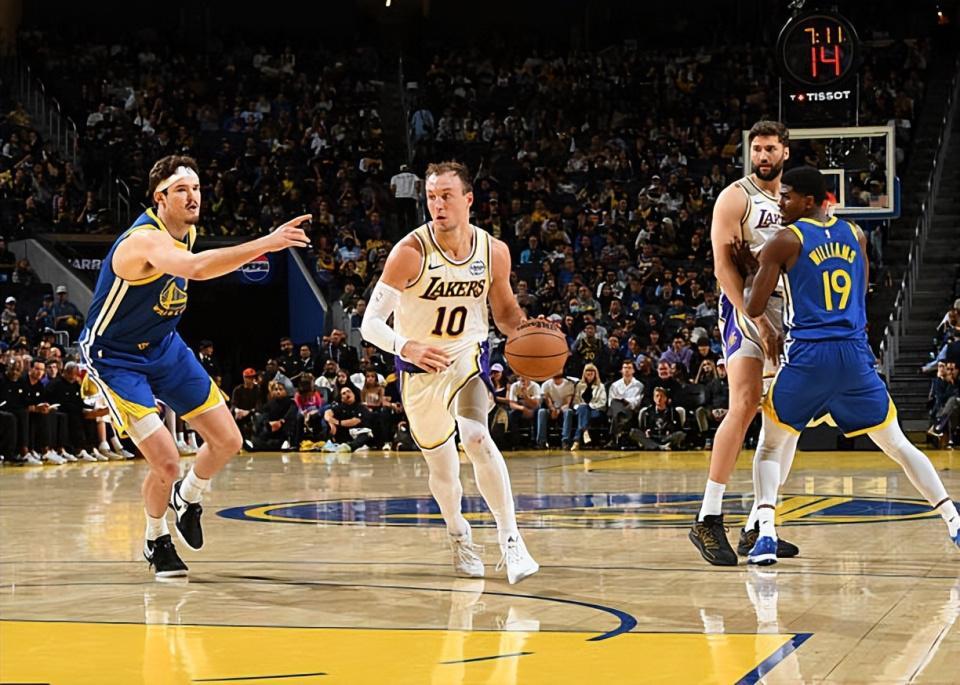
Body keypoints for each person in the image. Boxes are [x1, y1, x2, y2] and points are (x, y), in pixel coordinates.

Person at [77, 154, 310, 578]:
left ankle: (188, 496)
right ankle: (155, 538)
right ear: (159, 198)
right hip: (116, 356)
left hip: (164, 346)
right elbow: (198, 269)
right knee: (166, 461)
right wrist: (268, 242)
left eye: (197, 188)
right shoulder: (144, 242)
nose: (193, 197)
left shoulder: (187, 231)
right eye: (181, 190)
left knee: (228, 440)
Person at [737, 165, 960, 563]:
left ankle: (766, 534)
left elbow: (754, 307)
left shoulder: (785, 239)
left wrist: (755, 269)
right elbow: (861, 291)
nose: (780, 201)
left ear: (808, 200)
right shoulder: (856, 234)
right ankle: (953, 519)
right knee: (898, 444)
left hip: (809, 356)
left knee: (771, 445)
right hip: (854, 355)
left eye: (786, 195)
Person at [360, 160, 539, 583]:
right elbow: (369, 324)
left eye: (446, 196)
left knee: (475, 436)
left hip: (466, 356)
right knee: (443, 472)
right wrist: (407, 346)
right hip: (418, 369)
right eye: (431, 197)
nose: (438, 205)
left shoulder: (493, 251)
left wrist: (531, 334)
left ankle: (511, 540)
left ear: (468, 199)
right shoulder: (409, 253)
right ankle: (459, 532)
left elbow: (506, 314)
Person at [690, 120, 799, 566]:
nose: (763, 156)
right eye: (757, 149)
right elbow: (723, 269)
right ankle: (708, 517)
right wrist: (758, 321)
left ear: (785, 152)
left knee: (789, 416)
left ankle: (758, 523)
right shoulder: (736, 197)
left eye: (770, 149)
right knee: (745, 402)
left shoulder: (794, 199)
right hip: (745, 307)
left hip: (788, 311)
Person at [562, 363, 607, 451]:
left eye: (591, 373)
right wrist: (581, 406)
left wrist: (589, 406)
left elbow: (602, 402)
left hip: (595, 410)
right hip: (581, 409)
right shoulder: (579, 385)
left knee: (583, 414)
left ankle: (577, 440)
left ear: (595, 374)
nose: (589, 375)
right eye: (587, 373)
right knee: (583, 409)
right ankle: (582, 434)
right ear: (584, 374)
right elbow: (575, 401)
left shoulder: (600, 386)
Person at [607, 360, 645, 446]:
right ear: (621, 370)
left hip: (630, 409)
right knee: (616, 406)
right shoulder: (615, 385)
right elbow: (610, 401)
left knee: (619, 412)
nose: (627, 370)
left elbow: (638, 401)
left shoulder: (639, 385)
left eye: (629, 368)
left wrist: (626, 401)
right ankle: (620, 435)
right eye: (625, 368)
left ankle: (614, 438)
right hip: (616, 408)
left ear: (633, 370)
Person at [536, 372, 574, 449]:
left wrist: (559, 410)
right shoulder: (546, 384)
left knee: (568, 411)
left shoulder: (569, 384)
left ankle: (565, 441)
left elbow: (567, 403)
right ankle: (541, 441)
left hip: (563, 409)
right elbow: (547, 400)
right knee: (541, 412)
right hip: (550, 409)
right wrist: (553, 409)